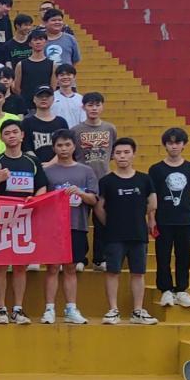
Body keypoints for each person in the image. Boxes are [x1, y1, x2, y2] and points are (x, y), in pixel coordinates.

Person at [0, 120, 48, 325]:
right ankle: (1, 309)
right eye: (7, 133)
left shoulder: (32, 162)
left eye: (15, 132)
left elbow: (42, 187)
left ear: (22, 135)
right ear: (1, 138)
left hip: (25, 219)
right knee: (1, 265)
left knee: (20, 265)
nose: (11, 136)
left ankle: (18, 309)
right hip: (1, 219)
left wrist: (35, 200)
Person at [95, 138, 158, 325]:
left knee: (138, 273)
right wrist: (111, 223)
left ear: (133, 154)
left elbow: (153, 203)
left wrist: (137, 216)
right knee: (112, 272)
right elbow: (99, 207)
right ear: (113, 156)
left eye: (126, 152)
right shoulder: (106, 181)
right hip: (114, 235)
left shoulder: (144, 179)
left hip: (138, 234)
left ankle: (137, 311)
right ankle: (113, 310)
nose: (122, 156)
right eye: (118, 153)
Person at [42, 130, 97, 324]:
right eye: (59, 145)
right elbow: (41, 198)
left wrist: (80, 193)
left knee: (71, 267)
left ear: (74, 146)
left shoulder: (86, 171)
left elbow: (93, 199)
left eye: (67, 145)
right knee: (52, 267)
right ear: (54, 148)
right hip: (53, 227)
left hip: (77, 225)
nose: (63, 149)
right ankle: (49, 309)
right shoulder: (47, 172)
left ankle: (71, 308)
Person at [150, 127, 190, 308]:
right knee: (163, 255)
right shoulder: (156, 169)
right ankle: (166, 290)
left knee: (184, 255)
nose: (174, 146)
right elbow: (151, 195)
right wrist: (151, 218)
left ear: (184, 145)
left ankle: (182, 289)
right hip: (163, 220)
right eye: (170, 143)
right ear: (165, 145)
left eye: (177, 142)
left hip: (185, 219)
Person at [72, 92, 116, 271]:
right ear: (83, 107)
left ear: (102, 106)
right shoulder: (76, 130)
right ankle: (80, 258)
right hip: (82, 181)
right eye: (90, 105)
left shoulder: (110, 128)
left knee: (102, 220)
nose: (94, 108)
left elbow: (111, 153)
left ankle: (100, 258)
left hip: (104, 180)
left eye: (97, 105)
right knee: (81, 221)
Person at [21, 86, 68, 163]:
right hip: (34, 165)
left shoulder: (61, 122)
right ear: (34, 99)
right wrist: (39, 165)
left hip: (59, 165)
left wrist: (51, 163)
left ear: (53, 99)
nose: (44, 98)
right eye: (40, 96)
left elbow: (66, 146)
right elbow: (26, 148)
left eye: (47, 96)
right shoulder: (27, 122)